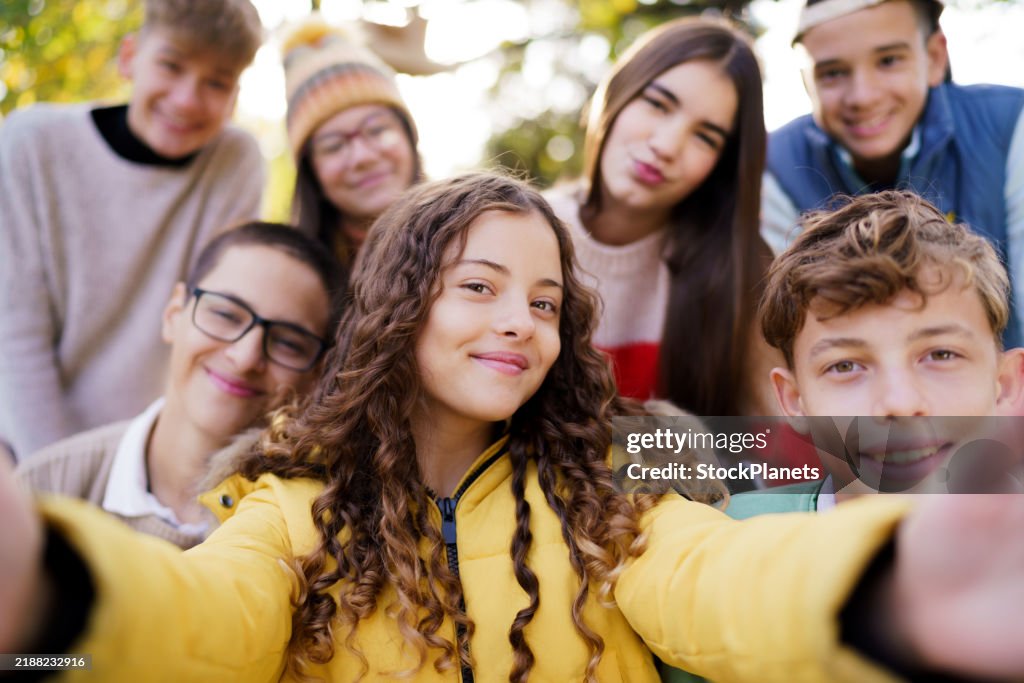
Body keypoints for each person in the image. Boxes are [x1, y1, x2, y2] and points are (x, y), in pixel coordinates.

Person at [4, 173, 1024, 682]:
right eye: (479, 287)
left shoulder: (622, 463)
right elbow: (197, 614)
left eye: (544, 300)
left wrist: (890, 573)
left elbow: (726, 573)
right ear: (399, 308)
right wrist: (46, 578)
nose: (516, 320)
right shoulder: (291, 501)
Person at [0, 0, 266, 460]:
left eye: (216, 82)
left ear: (235, 96)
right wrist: (58, 476)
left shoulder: (235, 163)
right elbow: (14, 328)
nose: (186, 99)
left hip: (150, 454)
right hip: (23, 439)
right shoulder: (32, 143)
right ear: (130, 58)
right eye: (171, 65)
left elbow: (214, 324)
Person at [14, 223, 344, 549]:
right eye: (226, 314)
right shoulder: (43, 488)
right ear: (173, 314)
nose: (245, 357)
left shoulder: (314, 526)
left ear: (317, 374)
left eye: (287, 342)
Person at [725, 190, 1024, 519]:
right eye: (845, 365)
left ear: (1005, 383)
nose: (899, 402)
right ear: (794, 400)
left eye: (940, 355)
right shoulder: (725, 543)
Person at [546, 17, 780, 417]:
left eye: (705, 137)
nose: (667, 146)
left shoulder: (738, 270)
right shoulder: (521, 233)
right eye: (657, 104)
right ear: (617, 94)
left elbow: (780, 444)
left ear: (722, 165)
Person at [760, 0, 1024, 348]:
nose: (863, 96)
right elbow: (792, 334)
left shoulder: (1009, 127)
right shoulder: (775, 166)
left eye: (888, 61)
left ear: (933, 57)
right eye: (833, 73)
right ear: (806, 80)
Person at [282, 16, 424, 275]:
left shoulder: (474, 240)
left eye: (377, 130)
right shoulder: (288, 277)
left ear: (408, 136)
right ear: (311, 171)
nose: (362, 157)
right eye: (334, 146)